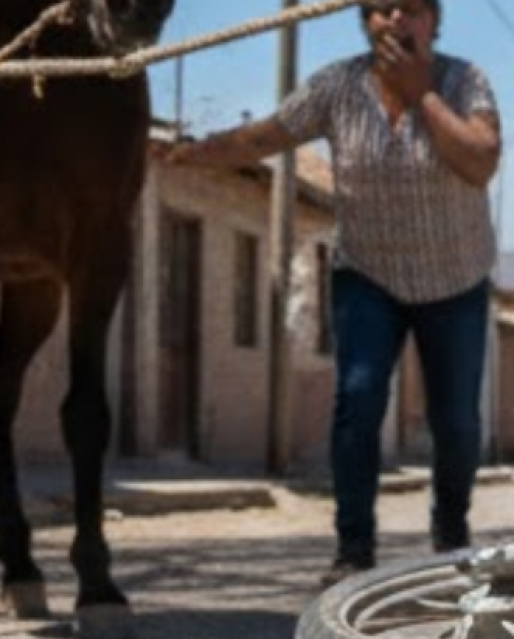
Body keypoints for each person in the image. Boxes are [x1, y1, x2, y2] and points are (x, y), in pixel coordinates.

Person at [165, 0, 502, 587]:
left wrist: (422, 92)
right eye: (382, 10)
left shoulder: (464, 79)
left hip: (455, 279)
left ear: (434, 21)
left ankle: (450, 541)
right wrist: (192, 150)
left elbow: (480, 161)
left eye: (414, 11)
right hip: (368, 274)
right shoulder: (338, 87)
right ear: (366, 22)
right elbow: (265, 135)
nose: (398, 21)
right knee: (358, 400)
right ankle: (354, 550)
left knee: (457, 423)